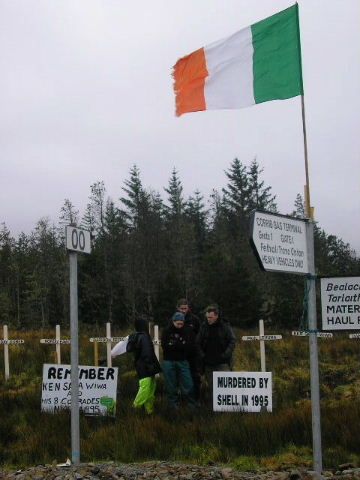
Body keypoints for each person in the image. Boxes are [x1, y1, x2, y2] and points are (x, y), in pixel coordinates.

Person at [111, 316, 161, 414]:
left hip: (142, 366)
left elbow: (121, 345)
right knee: (146, 388)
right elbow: (147, 353)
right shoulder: (144, 336)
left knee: (149, 389)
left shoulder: (134, 336)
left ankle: (149, 411)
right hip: (147, 367)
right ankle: (135, 408)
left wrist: (113, 354)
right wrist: (151, 366)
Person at [197, 304, 236, 400]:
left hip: (223, 363)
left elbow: (232, 340)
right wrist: (203, 356)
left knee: (226, 386)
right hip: (208, 363)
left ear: (216, 316)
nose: (208, 319)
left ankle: (227, 409)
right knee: (212, 388)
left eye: (210, 317)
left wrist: (226, 355)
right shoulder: (203, 327)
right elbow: (197, 343)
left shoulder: (225, 326)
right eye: (207, 317)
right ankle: (214, 410)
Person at [161, 311, 197, 409]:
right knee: (171, 385)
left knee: (188, 383)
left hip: (183, 360)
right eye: (178, 323)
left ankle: (191, 405)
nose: (180, 325)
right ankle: (173, 406)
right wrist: (180, 344)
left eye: (181, 323)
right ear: (173, 321)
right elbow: (165, 346)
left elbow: (189, 346)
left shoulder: (187, 330)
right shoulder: (166, 330)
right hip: (169, 361)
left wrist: (174, 344)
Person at [176, 298, 201, 401]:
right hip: (179, 354)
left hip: (193, 354)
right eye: (181, 308)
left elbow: (200, 334)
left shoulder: (194, 319)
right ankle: (182, 399)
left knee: (195, 376)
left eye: (185, 308)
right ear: (177, 308)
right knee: (180, 377)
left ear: (188, 308)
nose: (183, 310)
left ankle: (196, 399)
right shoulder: (174, 319)